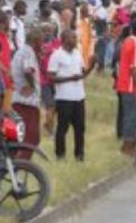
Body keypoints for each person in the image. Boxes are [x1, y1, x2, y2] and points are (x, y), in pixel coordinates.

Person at [48, 29, 94, 162]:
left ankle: (79, 155)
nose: (75, 40)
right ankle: (60, 155)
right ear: (64, 39)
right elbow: (51, 77)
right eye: (73, 38)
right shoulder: (57, 55)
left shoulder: (77, 54)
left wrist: (91, 66)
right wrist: (69, 78)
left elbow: (82, 74)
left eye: (75, 37)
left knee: (80, 128)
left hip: (79, 97)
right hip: (64, 98)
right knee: (63, 128)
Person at [115, 17, 136, 156]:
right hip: (131, 87)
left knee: (132, 116)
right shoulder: (135, 43)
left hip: (128, 86)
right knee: (132, 117)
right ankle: (128, 147)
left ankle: (130, 145)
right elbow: (134, 68)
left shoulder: (131, 41)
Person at [11, 27, 43, 159]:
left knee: (25, 135)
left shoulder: (21, 51)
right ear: (36, 41)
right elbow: (28, 70)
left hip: (20, 100)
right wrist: (31, 85)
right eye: (41, 41)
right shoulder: (28, 52)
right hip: (26, 102)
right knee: (30, 137)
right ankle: (21, 164)